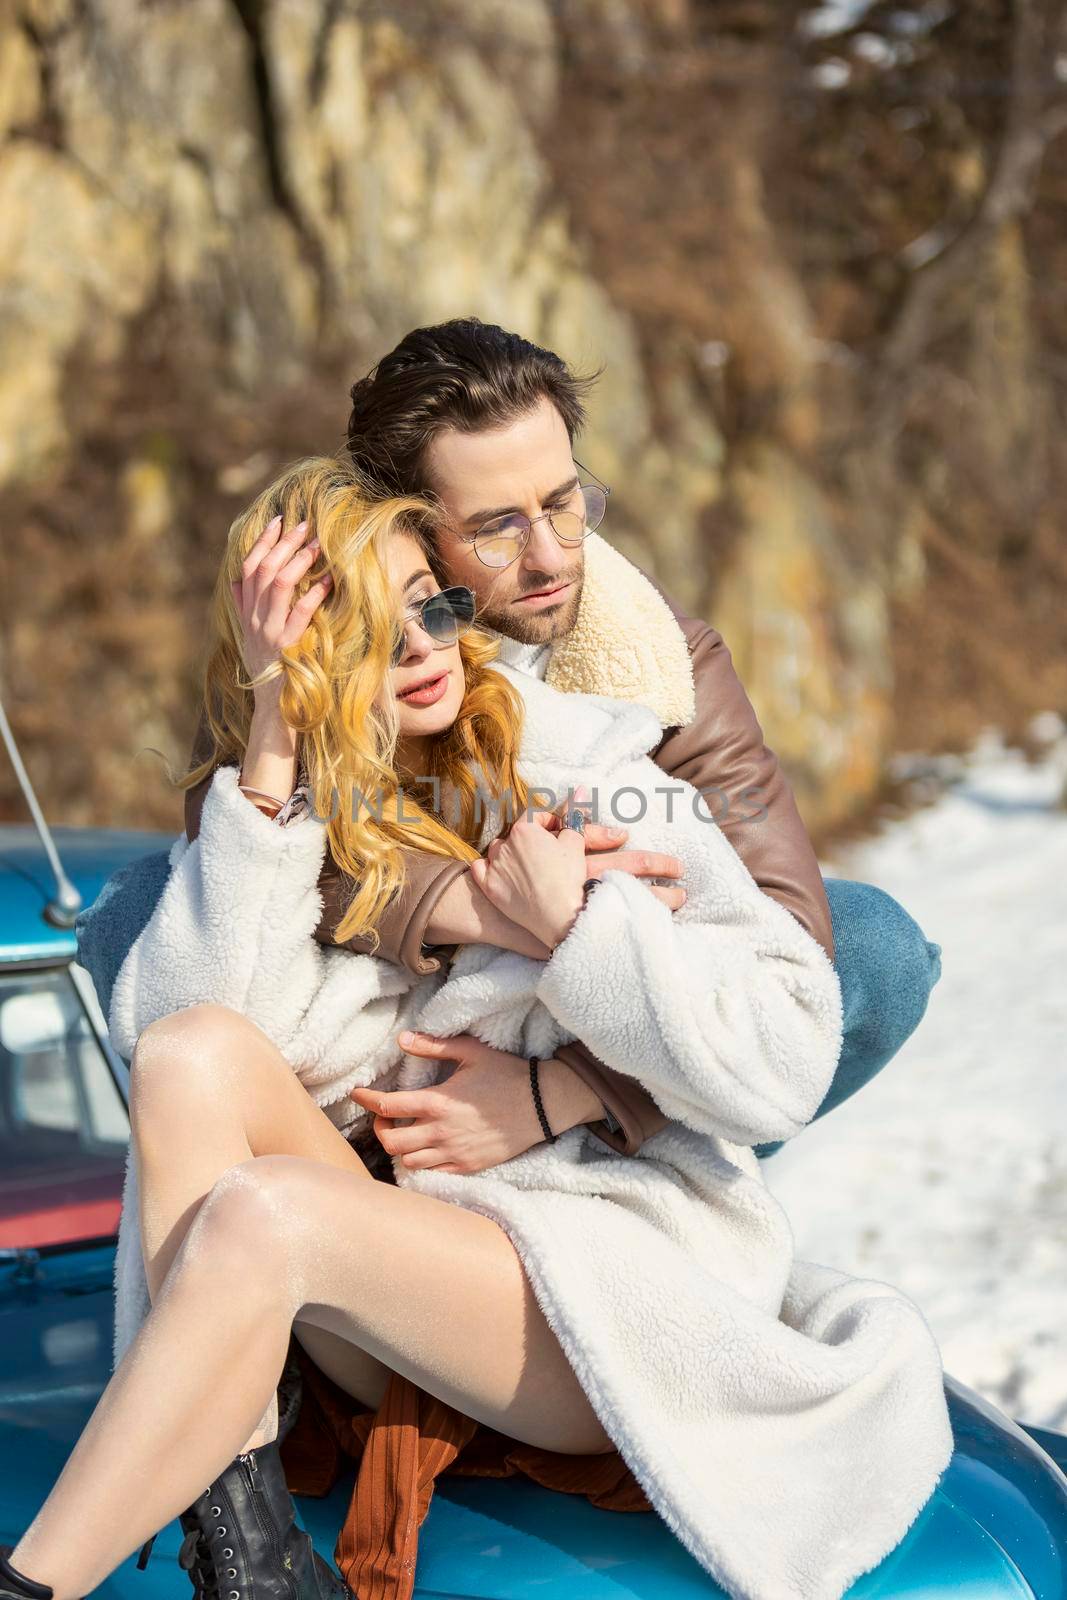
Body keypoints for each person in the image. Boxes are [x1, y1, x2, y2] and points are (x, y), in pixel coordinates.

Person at [20, 455, 952, 1600]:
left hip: (594, 1291)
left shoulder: (595, 767)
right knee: (187, 1054)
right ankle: (248, 1552)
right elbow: (203, 1031)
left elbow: (779, 1058)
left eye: (435, 604)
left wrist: (576, 938)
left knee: (268, 1213)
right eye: (366, 629)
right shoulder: (311, 822)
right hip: (407, 1289)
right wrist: (273, 743)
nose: (421, 649)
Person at [180, 316, 942, 1171]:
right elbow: (236, 842)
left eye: (562, 502)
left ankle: (622, 1173)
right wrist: (479, 903)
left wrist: (564, 1094)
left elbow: (787, 929)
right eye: (496, 527)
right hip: (393, 1074)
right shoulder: (334, 643)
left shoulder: (664, 663)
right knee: (138, 910)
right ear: (406, 523)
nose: (549, 558)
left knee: (871, 942)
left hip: (604, 1046)